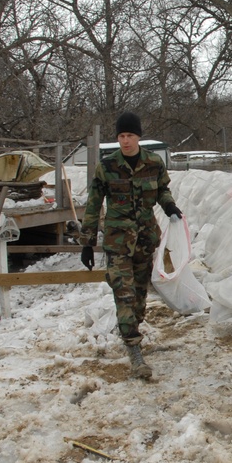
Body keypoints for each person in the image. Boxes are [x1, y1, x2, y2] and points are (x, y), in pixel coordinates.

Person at [80, 111, 182, 380]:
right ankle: (135, 352)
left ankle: (130, 327)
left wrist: (169, 205)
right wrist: (87, 242)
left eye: (130, 135)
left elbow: (162, 189)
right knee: (123, 294)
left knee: (138, 298)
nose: (125, 141)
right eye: (121, 136)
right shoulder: (107, 166)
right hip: (118, 243)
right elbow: (93, 204)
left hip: (145, 241)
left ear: (138, 137)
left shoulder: (153, 163)